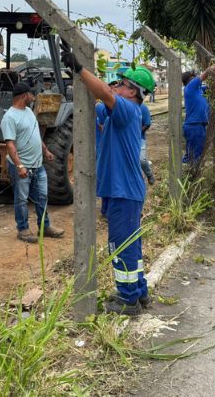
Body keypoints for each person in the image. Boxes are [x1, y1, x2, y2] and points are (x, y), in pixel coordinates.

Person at [62, 50, 155, 315]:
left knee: (121, 245)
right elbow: (97, 100)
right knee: (131, 244)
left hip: (124, 191)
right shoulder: (124, 111)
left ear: (133, 92)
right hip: (124, 190)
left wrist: (80, 69)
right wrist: (79, 78)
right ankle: (139, 291)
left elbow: (104, 93)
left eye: (124, 84)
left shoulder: (127, 109)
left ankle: (128, 299)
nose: (118, 85)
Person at [0, 82, 65, 243]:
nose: (33, 97)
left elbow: (35, 135)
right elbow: (10, 144)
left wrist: (46, 151)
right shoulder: (10, 117)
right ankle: (23, 229)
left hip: (38, 165)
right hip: (22, 166)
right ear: (24, 96)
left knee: (42, 197)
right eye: (31, 94)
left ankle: (45, 226)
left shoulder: (29, 111)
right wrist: (19, 165)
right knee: (21, 199)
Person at [182, 62, 215, 164]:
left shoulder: (198, 89)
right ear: (190, 79)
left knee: (192, 154)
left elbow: (212, 86)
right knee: (196, 156)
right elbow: (206, 73)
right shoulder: (190, 87)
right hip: (194, 126)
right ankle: (192, 175)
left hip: (197, 126)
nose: (197, 78)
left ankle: (186, 172)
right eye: (195, 77)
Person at [96, 81, 119, 219]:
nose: (116, 90)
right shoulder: (100, 107)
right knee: (108, 177)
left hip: (104, 147)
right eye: (114, 87)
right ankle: (106, 209)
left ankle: (106, 209)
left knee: (107, 178)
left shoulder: (102, 107)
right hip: (104, 147)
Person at [139, 102, 155, 185]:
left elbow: (147, 124)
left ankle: (149, 174)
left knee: (142, 159)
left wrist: (137, 132)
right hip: (125, 138)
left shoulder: (142, 107)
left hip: (139, 138)